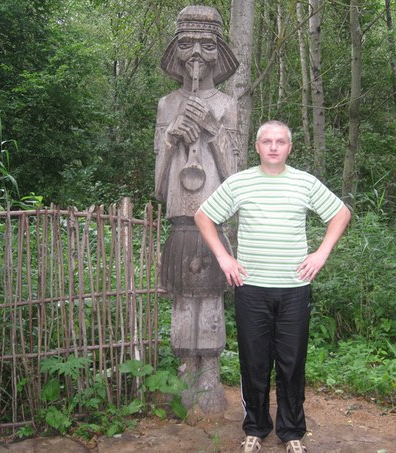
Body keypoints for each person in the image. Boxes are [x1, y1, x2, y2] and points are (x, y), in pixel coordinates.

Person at [194, 120, 351, 452]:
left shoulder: (304, 182)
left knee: (292, 363)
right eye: (267, 141)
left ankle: (292, 433)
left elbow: (340, 213)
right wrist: (224, 258)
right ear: (257, 147)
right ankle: (255, 429)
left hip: (294, 289)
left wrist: (321, 253)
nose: (274, 147)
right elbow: (203, 216)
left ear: (290, 147)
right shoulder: (240, 183)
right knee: (255, 362)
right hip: (251, 288)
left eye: (280, 141)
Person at [154, 5, 240, 413]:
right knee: (183, 300)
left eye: (206, 45)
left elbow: (234, 175)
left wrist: (211, 125)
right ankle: (186, 368)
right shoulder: (166, 104)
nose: (196, 55)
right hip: (180, 219)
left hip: (214, 221)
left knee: (211, 300)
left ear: (219, 52)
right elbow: (158, 185)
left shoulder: (226, 104)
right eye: (187, 43)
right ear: (175, 50)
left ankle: (211, 373)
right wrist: (171, 138)